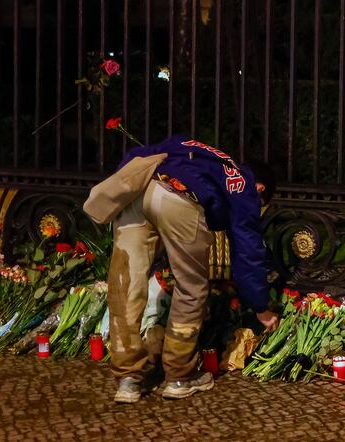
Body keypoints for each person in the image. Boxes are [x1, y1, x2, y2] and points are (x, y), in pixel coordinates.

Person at [106, 135, 279, 404]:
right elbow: (247, 250)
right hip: (179, 199)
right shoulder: (241, 181)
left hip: (138, 194)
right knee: (191, 287)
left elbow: (138, 153)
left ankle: (128, 379)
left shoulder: (197, 152)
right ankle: (178, 376)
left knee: (126, 284)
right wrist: (261, 308)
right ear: (260, 187)